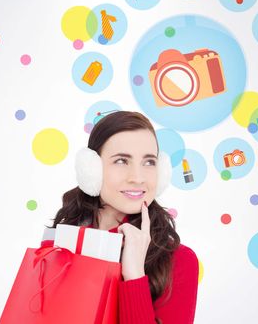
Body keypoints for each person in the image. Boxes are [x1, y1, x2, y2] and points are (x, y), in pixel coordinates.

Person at [44, 110, 199, 324]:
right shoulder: (60, 245)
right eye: (121, 161)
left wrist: (134, 275)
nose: (137, 178)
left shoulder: (179, 261)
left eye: (149, 162)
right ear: (92, 169)